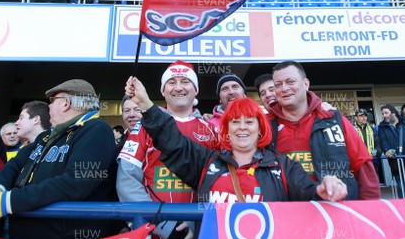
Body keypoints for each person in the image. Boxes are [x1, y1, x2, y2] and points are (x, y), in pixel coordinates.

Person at [125, 79, 348, 205]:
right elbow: (172, 141)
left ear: (260, 129)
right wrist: (145, 104)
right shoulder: (207, 161)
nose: (242, 127)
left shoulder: (282, 166)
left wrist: (326, 189)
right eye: (235, 122)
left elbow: (309, 195)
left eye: (249, 122)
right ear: (226, 130)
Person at [0, 79, 119, 239]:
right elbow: (15, 165)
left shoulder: (96, 129)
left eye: (52, 101)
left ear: (66, 103)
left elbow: (76, 182)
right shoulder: (48, 135)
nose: (48, 107)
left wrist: (5, 201)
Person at [117, 60, 218, 239]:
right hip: (155, 232)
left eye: (185, 81)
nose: (178, 88)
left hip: (202, 231)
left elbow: (221, 185)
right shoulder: (144, 126)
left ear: (196, 90)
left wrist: (200, 223)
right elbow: (126, 180)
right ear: (163, 91)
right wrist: (164, 225)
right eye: (171, 82)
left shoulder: (212, 130)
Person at [268, 61, 380, 200]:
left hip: (337, 211)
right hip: (285, 214)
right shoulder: (266, 127)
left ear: (306, 84)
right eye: (278, 85)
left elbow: (363, 167)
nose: (284, 88)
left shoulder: (334, 119)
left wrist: (368, 211)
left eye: (290, 82)